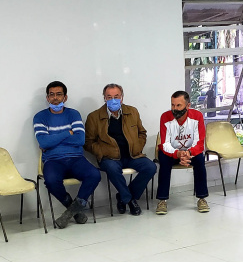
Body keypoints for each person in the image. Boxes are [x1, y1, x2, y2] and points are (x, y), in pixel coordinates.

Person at [34, 81, 100, 228]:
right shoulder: (40, 117)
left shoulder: (73, 114)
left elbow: (80, 139)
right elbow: (43, 143)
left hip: (76, 158)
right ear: (47, 98)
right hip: (53, 160)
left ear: (65, 97)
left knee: (94, 174)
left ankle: (70, 212)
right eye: (52, 95)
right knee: (51, 181)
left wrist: (53, 139)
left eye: (59, 94)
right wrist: (67, 133)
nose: (55, 98)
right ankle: (74, 209)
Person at [84, 83, 156, 216]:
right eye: (109, 97)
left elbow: (142, 133)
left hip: (132, 155)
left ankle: (124, 197)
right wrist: (102, 152)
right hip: (110, 158)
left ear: (122, 97)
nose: (113, 100)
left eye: (116, 96)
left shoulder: (132, 111)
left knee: (151, 167)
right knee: (112, 168)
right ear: (104, 98)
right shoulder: (94, 117)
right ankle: (130, 201)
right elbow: (88, 142)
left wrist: (138, 147)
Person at [156, 91, 209, 215]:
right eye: (172, 105)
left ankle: (202, 198)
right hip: (172, 153)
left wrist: (188, 153)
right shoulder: (165, 117)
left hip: (190, 152)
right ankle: (162, 200)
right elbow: (165, 144)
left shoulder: (197, 116)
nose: (175, 108)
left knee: (200, 160)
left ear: (188, 105)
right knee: (163, 161)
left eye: (178, 105)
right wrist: (178, 154)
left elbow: (199, 142)